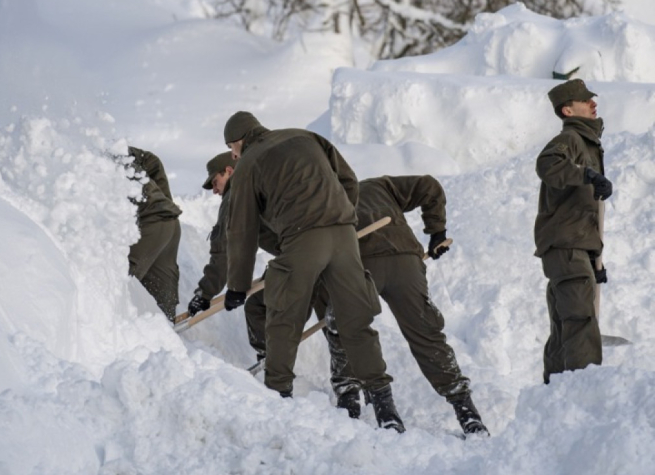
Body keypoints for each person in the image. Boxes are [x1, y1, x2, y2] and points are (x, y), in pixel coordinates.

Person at [221, 111, 405, 432]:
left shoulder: (248, 163)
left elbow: (242, 228)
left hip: (303, 237)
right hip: (344, 232)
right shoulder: (306, 136)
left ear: (237, 142)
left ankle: (278, 396)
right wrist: (338, 215)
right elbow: (347, 179)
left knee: (284, 316)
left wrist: (237, 285)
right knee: (355, 318)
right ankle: (386, 407)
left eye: (231, 150)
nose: (233, 156)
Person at [187, 152, 358, 412]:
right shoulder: (265, 181)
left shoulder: (236, 195)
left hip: (300, 256)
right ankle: (346, 389)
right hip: (328, 248)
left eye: (214, 182)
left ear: (229, 172)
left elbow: (224, 247)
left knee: (273, 308)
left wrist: (206, 292)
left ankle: (276, 370)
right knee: (329, 315)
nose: (214, 190)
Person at [332, 175, 489, 435]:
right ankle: (468, 413)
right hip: (405, 262)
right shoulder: (379, 186)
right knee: (426, 333)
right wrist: (437, 232)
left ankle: (359, 402)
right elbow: (430, 186)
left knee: (346, 326)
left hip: (361, 263)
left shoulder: (324, 197)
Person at [535, 79, 611, 383]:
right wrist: (587, 174)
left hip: (573, 246)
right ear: (568, 110)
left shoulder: (588, 143)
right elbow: (548, 164)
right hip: (565, 245)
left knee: (566, 326)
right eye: (585, 101)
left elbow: (582, 213)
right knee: (580, 323)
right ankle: (584, 394)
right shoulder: (570, 139)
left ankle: (553, 398)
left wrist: (595, 262)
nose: (593, 103)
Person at [126, 146, 182, 320]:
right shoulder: (120, 153)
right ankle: (167, 332)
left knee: (121, 281)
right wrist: (163, 202)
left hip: (151, 222)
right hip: (169, 221)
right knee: (162, 292)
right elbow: (153, 162)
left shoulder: (92, 160)